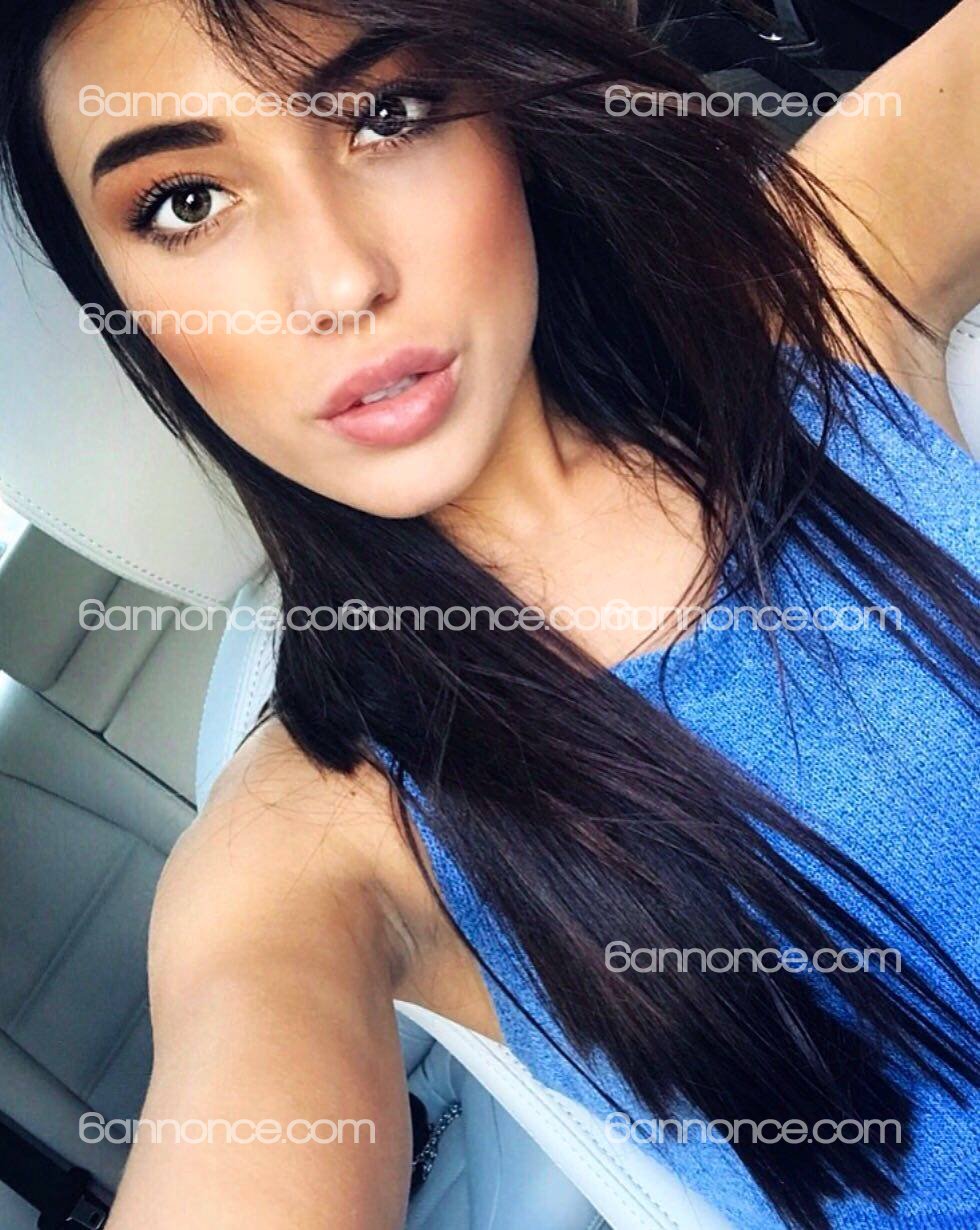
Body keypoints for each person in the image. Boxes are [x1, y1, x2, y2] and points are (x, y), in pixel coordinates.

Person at [1, 0, 977, 1225]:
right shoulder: (313, 842)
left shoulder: (800, 284)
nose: (339, 280)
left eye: (386, 115)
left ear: (500, 108)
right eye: (186, 203)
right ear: (121, 307)